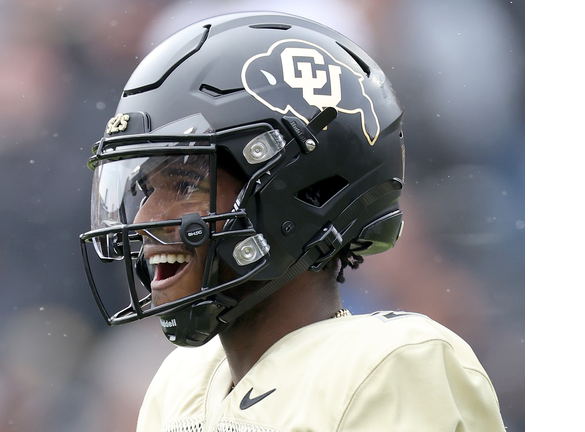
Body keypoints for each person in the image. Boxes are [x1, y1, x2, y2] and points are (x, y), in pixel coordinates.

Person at [79, 11, 505, 431]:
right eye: (146, 190)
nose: (145, 218)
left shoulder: (389, 366)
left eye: (185, 184)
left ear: (301, 189)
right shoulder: (178, 385)